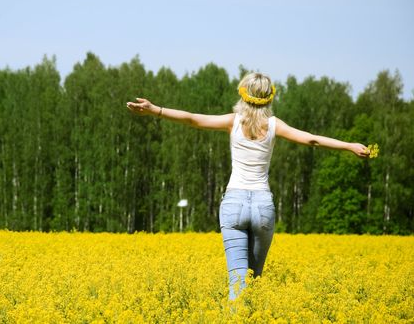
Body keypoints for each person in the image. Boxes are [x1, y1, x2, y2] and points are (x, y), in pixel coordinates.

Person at [126, 72, 370, 301]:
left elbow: (193, 119)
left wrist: (154, 110)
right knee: (255, 280)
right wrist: (349, 145)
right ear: (269, 97)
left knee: (237, 281)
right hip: (263, 206)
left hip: (233, 204)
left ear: (243, 93)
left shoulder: (233, 122)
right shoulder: (274, 125)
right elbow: (312, 139)